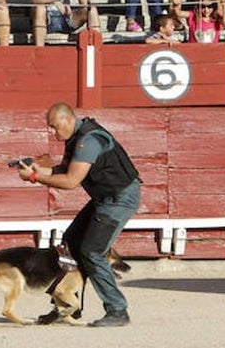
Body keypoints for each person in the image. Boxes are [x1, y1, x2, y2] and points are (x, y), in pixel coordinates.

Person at [18, 102, 142, 327]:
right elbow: (63, 171)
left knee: (92, 251)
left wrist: (36, 179)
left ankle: (117, 309)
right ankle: (68, 306)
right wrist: (36, 170)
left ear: (68, 119)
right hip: (104, 198)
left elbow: (70, 181)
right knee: (70, 243)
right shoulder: (76, 138)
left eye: (54, 127)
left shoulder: (89, 141)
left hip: (119, 200)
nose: (53, 132)